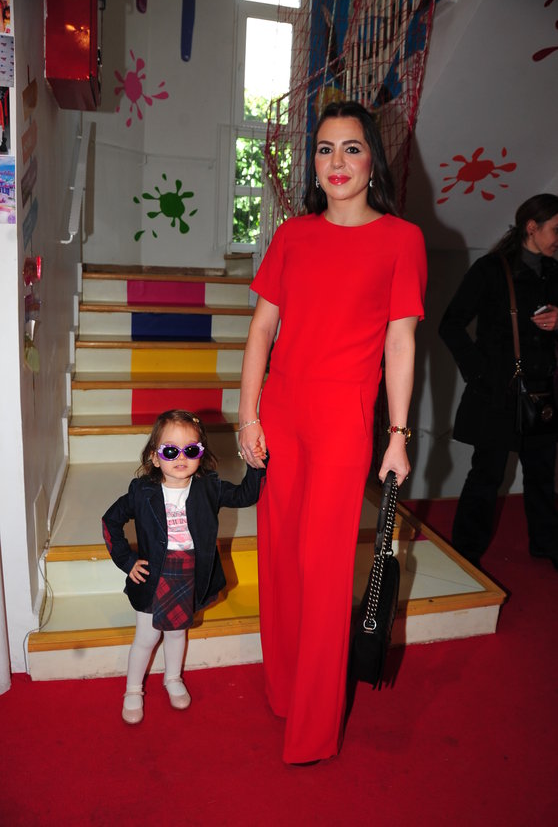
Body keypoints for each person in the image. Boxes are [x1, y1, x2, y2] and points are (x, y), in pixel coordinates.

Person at [238, 100, 427, 764]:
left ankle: (313, 729)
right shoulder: (293, 235)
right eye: (324, 148)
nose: (337, 162)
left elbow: (401, 343)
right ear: (312, 161)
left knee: (323, 570)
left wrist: (398, 435)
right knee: (279, 558)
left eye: (351, 147)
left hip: (344, 421)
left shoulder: (402, 239)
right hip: (282, 413)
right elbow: (262, 328)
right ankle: (284, 689)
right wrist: (248, 412)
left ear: (374, 160)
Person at [102, 409, 267, 724]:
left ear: (200, 455)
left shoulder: (209, 487)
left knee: (178, 633)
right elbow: (110, 521)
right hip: (154, 575)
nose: (181, 457)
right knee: (147, 637)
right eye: (170, 451)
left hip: (189, 573)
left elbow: (246, 495)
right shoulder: (142, 492)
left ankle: (173, 678)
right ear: (155, 457)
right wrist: (127, 560)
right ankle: (133, 690)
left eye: (191, 450)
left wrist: (255, 464)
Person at [439, 194, 558, 571]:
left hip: (541, 392)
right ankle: (465, 554)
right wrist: (480, 374)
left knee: (542, 474)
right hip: (497, 395)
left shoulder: (555, 272)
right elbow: (450, 325)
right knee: (487, 475)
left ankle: (546, 545)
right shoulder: (491, 269)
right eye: (556, 230)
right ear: (532, 227)